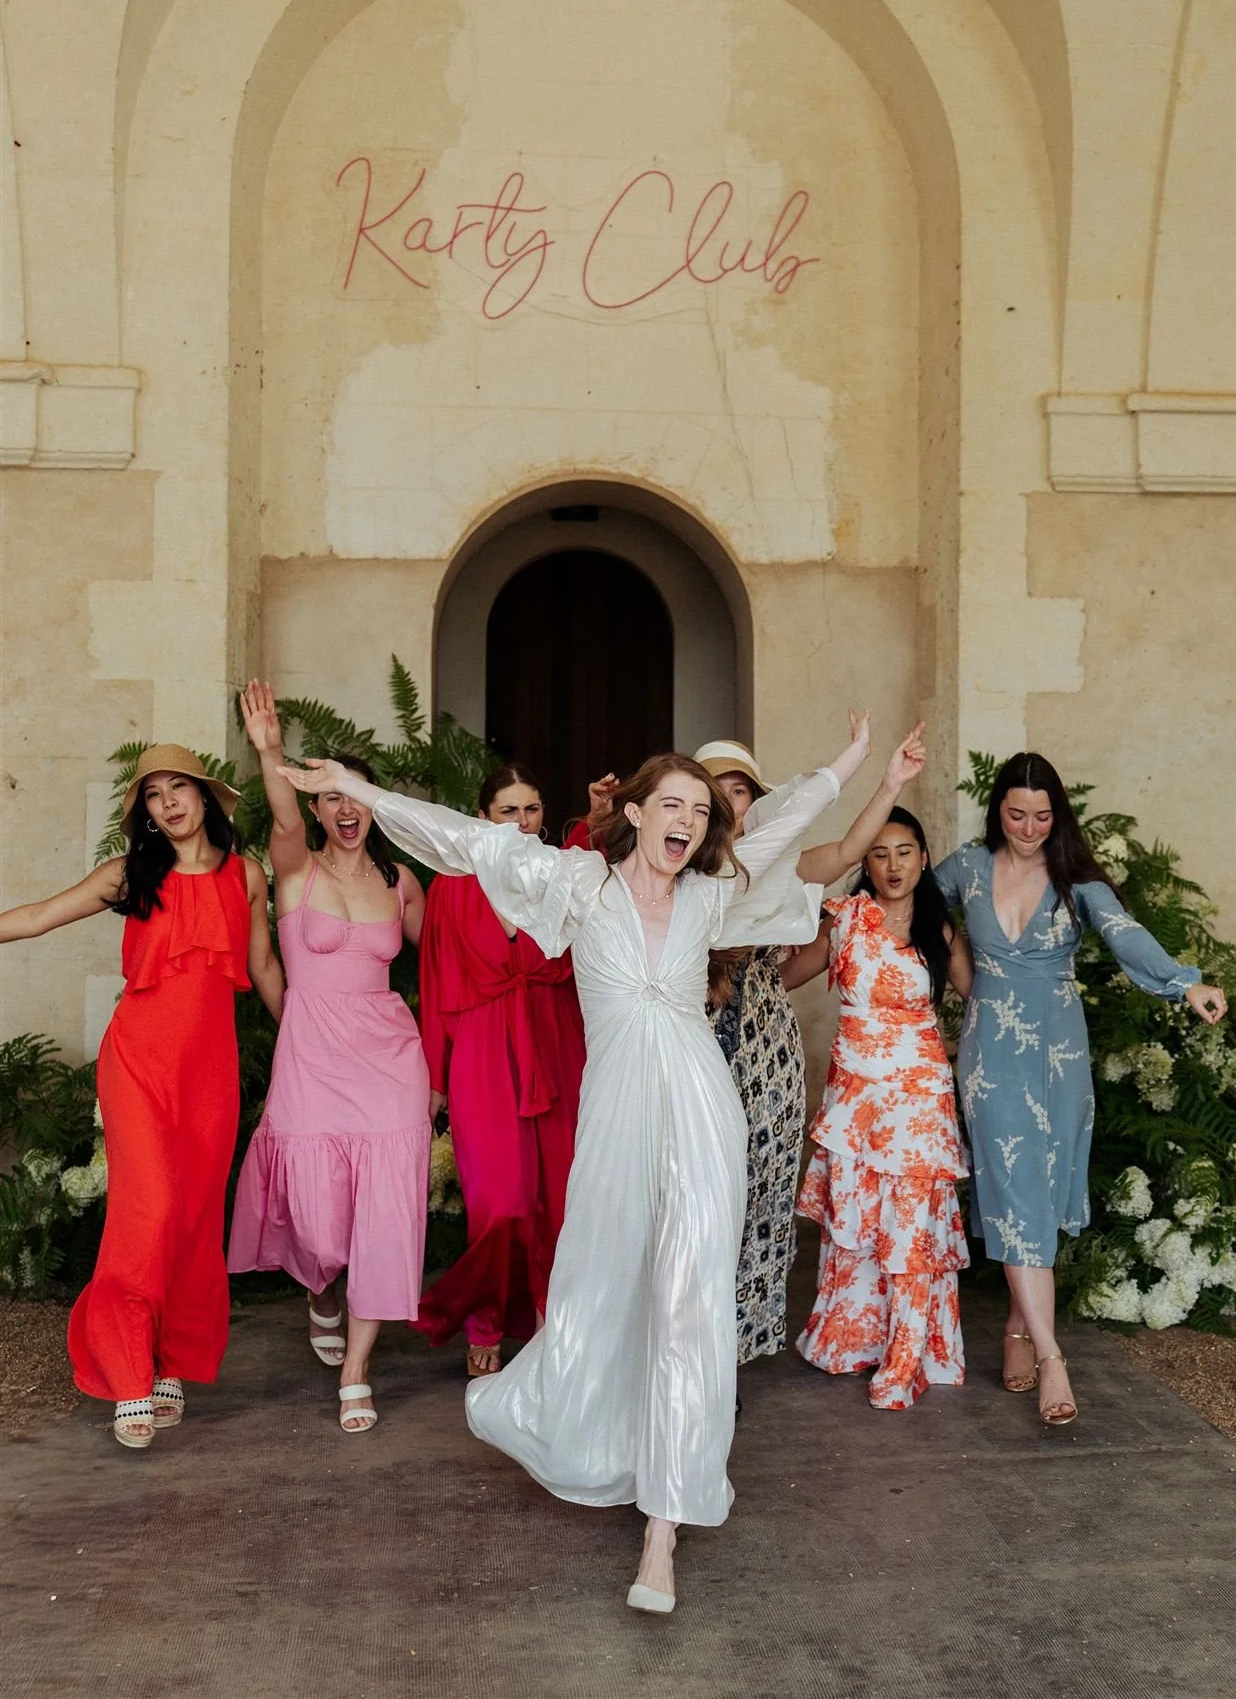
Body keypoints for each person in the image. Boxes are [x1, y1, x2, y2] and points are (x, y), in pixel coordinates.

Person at [280, 723, 868, 1615]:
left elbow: (783, 829)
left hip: (704, 1116)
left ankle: (663, 1529)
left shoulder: (711, 894)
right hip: (616, 1121)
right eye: (670, 802)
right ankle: (583, 1427)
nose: (685, 819)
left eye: (699, 811)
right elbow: (462, 838)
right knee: (603, 1287)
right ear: (633, 812)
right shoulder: (578, 885)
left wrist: (849, 764)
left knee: (685, 1297)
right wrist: (364, 797)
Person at [0, 744, 282, 1447]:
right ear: (146, 815)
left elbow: (266, 966)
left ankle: (171, 1362)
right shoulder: (129, 874)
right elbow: (36, 917)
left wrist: (312, 1042)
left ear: (205, 797)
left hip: (209, 1075)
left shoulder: (245, 875)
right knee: (146, 1210)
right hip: (137, 1064)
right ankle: (128, 1371)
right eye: (152, 795)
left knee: (190, 1219)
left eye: (177, 787)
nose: (167, 803)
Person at [934, 752, 1227, 1426]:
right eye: (1016, 814)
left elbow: (1126, 936)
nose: (1029, 828)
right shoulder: (966, 868)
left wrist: (1186, 983)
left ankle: (1014, 1324)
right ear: (995, 811)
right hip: (992, 1059)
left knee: (1037, 1190)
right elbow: (912, 899)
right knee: (1009, 1188)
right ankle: (1050, 1356)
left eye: (1041, 815)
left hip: (1060, 1057)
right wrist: (951, 952)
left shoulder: (1075, 879)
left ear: (1056, 815)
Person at [695, 720, 936, 1371]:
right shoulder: (671, 868)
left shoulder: (786, 865)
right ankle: (685, 1338)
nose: (728, 803)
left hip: (763, 1042)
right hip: (688, 1036)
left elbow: (855, 847)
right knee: (696, 1188)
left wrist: (887, 779)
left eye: (740, 791)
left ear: (756, 801)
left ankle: (738, 1342)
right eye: (713, 792)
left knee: (762, 1185)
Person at [227, 682, 427, 1435]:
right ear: (316, 807)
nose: (347, 809)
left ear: (375, 805)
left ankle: (356, 1371)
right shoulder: (293, 869)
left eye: (359, 795)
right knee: (315, 1219)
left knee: (384, 1212)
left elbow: (448, 960)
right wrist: (271, 751)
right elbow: (277, 815)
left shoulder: (398, 881)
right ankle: (321, 1289)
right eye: (332, 797)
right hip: (312, 1056)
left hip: (389, 1059)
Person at [782, 805, 973, 1409]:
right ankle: (855, 1338)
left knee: (912, 1228)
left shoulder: (940, 930)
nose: (893, 866)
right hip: (856, 1103)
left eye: (905, 852)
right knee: (860, 1224)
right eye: (879, 853)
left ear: (923, 856)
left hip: (919, 1104)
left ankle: (907, 1356)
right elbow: (782, 977)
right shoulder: (843, 919)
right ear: (863, 860)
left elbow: (986, 1000)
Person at [415, 762, 586, 1374]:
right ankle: (484, 1317)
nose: (522, 821)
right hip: (484, 1051)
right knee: (500, 1203)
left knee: (560, 1200)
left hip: (557, 1044)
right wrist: (435, 1078)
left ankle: (551, 1321)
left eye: (532, 809)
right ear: (483, 817)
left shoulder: (564, 876)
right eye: (508, 810)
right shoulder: (451, 886)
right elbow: (433, 986)